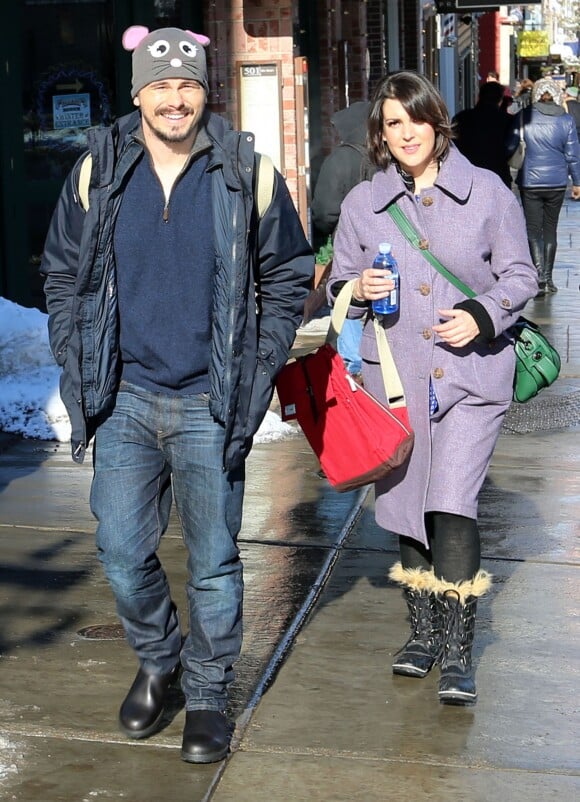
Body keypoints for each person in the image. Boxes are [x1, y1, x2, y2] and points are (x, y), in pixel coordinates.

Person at [40, 25, 313, 763]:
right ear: (138, 92)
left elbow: (289, 275)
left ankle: (208, 691)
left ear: (204, 91)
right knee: (122, 550)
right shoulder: (99, 170)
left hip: (209, 398)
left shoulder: (243, 171)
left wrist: (256, 369)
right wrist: (77, 356)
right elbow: (63, 273)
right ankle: (161, 658)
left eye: (187, 83)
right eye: (160, 84)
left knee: (216, 558)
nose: (175, 97)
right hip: (124, 394)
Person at [327, 71, 538, 706]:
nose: (406, 132)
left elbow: (521, 274)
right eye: (393, 123)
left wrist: (483, 312)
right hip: (394, 381)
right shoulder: (366, 204)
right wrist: (356, 288)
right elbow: (337, 284)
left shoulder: (488, 192)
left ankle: (457, 649)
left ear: (436, 121)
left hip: (471, 378)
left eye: (415, 118)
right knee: (405, 506)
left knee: (451, 503)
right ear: (381, 135)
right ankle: (420, 634)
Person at [311, 101, 376, 382]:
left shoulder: (339, 159)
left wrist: (327, 234)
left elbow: (324, 211)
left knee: (349, 295)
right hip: (387, 243)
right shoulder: (386, 155)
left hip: (348, 243)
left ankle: (353, 364)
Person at [508, 77, 580, 294]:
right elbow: (573, 155)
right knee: (550, 230)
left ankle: (538, 276)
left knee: (532, 230)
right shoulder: (566, 120)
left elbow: (510, 144)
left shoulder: (523, 117)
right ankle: (548, 278)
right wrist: (577, 182)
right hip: (557, 183)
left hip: (530, 181)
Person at [453, 81, 514, 188]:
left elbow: (453, 145)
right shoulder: (508, 120)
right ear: (500, 100)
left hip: (468, 174)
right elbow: (512, 147)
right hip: (498, 175)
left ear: (479, 96)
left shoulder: (461, 118)